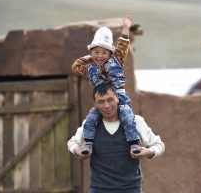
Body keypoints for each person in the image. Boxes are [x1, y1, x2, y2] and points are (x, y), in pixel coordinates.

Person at [67, 83, 165, 193]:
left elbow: (159, 145)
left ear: (117, 98)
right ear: (95, 104)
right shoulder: (89, 125)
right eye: (101, 102)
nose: (106, 106)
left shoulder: (135, 121)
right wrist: (77, 151)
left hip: (131, 189)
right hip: (99, 189)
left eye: (110, 100)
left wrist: (148, 152)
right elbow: (72, 142)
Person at [71, 16, 141, 155]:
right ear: (91, 53)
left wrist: (126, 28)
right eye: (96, 52)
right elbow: (76, 66)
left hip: (119, 96)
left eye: (104, 52)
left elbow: (123, 44)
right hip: (101, 101)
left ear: (110, 53)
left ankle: (133, 142)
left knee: (127, 115)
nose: (100, 56)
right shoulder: (90, 69)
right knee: (90, 119)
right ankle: (88, 144)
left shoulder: (117, 60)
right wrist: (88, 58)